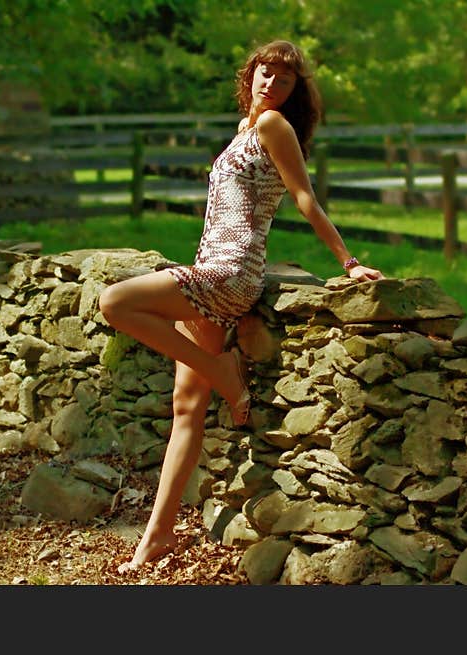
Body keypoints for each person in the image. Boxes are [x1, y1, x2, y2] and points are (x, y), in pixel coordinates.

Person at [97, 39, 385, 573]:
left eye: (283, 78)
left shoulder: (276, 127)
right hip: (211, 267)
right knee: (186, 409)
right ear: (249, 73)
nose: (271, 82)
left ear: (295, 90)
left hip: (229, 274)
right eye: (264, 71)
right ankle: (155, 537)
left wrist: (348, 264)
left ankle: (224, 372)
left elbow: (304, 198)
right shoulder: (243, 131)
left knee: (114, 301)